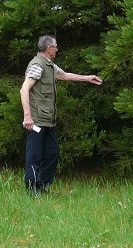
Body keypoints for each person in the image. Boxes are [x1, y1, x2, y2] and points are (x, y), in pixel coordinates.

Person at [20, 35, 102, 194]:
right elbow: (24, 89)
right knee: (34, 155)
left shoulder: (49, 65)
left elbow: (64, 75)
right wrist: (27, 116)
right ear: (49, 48)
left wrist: (88, 78)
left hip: (48, 120)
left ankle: (42, 186)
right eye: (56, 46)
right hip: (36, 120)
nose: (57, 49)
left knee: (52, 153)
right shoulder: (38, 65)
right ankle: (32, 190)